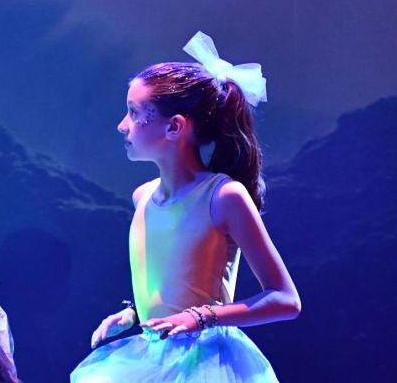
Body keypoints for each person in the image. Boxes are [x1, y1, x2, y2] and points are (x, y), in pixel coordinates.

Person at [71, 32, 301, 382]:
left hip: (208, 364)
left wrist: (200, 317)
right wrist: (135, 314)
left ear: (174, 126)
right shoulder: (142, 197)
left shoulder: (223, 197)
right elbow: (175, 280)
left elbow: (285, 299)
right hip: (154, 358)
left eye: (134, 113)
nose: (122, 125)